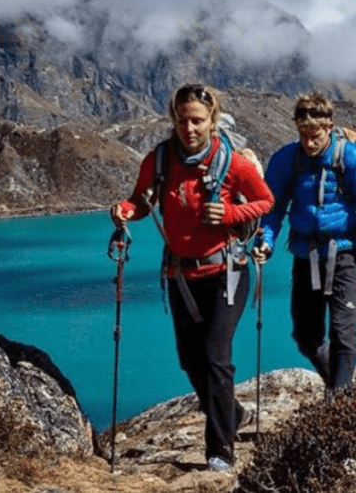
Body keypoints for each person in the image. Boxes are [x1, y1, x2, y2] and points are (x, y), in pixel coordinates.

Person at [109, 84, 274, 473]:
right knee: (190, 360)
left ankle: (220, 450)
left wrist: (230, 216)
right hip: (180, 274)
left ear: (212, 121)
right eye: (182, 120)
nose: (189, 128)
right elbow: (141, 201)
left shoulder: (234, 163)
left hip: (226, 274)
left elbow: (265, 200)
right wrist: (123, 211)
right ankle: (232, 413)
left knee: (216, 358)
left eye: (198, 120)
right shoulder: (160, 160)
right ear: (174, 119)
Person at [252, 91, 356, 393]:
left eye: (315, 135)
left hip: (345, 255)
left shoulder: (353, 160)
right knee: (305, 337)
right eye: (303, 134)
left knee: (345, 334)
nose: (309, 142)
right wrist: (266, 242)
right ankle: (343, 390)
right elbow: (272, 207)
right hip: (305, 255)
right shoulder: (286, 160)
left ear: (328, 127)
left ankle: (338, 401)